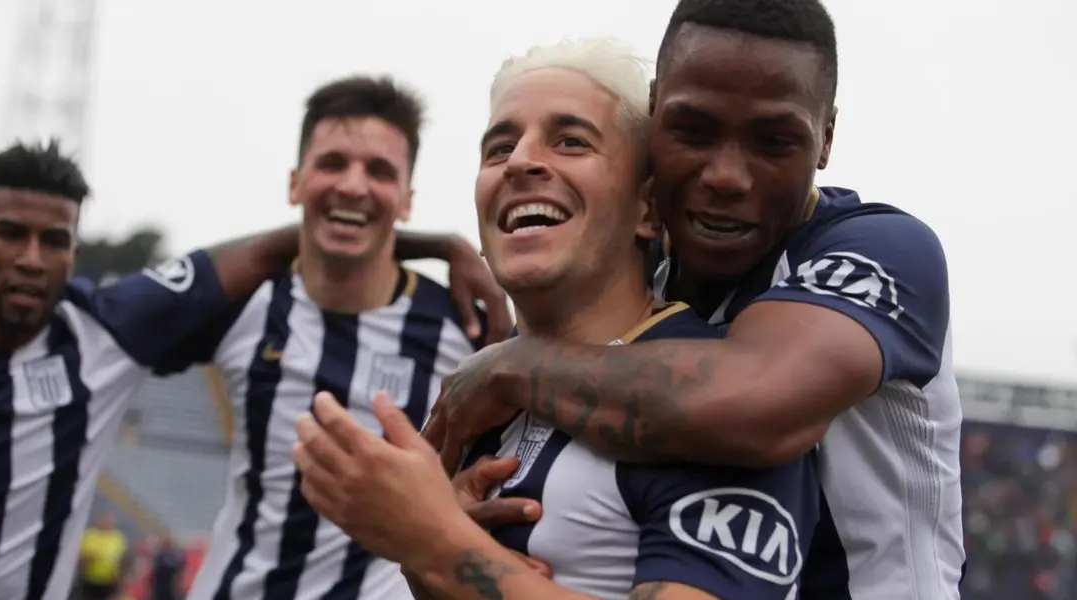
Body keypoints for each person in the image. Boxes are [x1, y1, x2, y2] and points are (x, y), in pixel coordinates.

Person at [424, 1, 964, 599]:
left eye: (774, 140)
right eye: (694, 130)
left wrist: (508, 366)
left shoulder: (883, 251)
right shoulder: (643, 273)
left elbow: (756, 405)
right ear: (656, 114)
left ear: (826, 138)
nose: (727, 175)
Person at [0, 77, 500, 600]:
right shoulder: (242, 307)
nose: (354, 184)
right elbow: (83, 300)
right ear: (296, 184)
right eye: (333, 163)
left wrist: (447, 246)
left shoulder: (465, 326)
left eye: (379, 171)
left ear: (407, 198)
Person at [288, 37, 820, 600]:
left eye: (571, 141)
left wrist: (431, 542)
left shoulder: (712, 403)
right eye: (499, 148)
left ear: (648, 209)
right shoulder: (479, 396)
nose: (520, 162)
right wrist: (430, 574)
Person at [79, 513, 130, 600]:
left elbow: (123, 559)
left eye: (108, 522)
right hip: (89, 578)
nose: (105, 524)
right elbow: (82, 555)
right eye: (103, 521)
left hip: (110, 580)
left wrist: (121, 578)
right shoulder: (90, 535)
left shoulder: (118, 538)